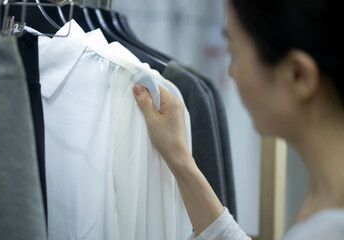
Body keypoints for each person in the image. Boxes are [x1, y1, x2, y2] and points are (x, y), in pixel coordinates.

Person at [132, 0, 344, 239]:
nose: (232, 72)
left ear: (298, 75)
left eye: (234, 53)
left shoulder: (330, 228)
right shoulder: (325, 201)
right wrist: (178, 157)